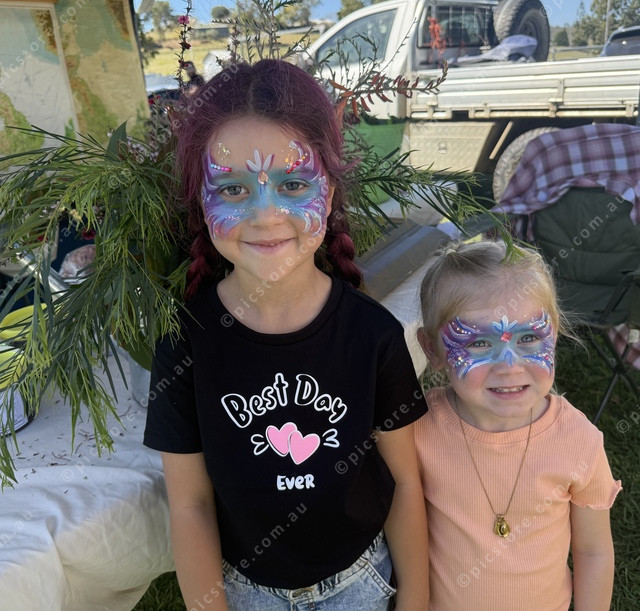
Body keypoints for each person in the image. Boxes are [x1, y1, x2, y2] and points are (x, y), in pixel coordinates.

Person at [143, 59, 429, 611]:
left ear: (330, 191)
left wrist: (416, 601)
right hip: (245, 594)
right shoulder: (186, 342)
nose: (265, 214)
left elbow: (403, 481)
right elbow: (190, 505)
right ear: (200, 199)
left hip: (361, 586)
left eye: (293, 184)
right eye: (232, 188)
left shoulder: (373, 334)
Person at [413, 240, 621, 611]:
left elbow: (593, 552)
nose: (509, 366)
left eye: (528, 337)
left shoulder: (578, 441)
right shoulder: (417, 429)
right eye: (478, 342)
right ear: (432, 350)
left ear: (554, 333)